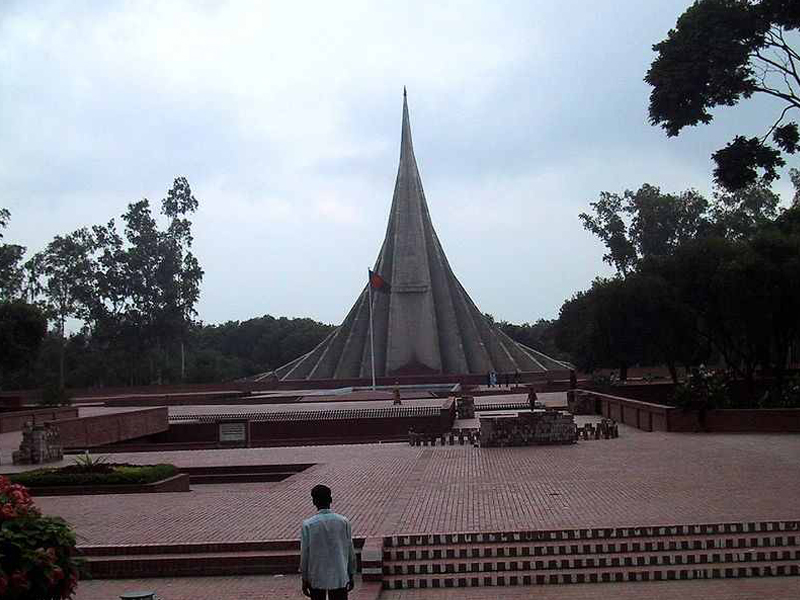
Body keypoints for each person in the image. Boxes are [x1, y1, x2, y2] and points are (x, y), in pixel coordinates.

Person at [301, 484, 356, 599]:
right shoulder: (343, 522)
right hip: (339, 573)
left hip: (316, 574)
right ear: (331, 499)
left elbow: (305, 554)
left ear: (314, 502)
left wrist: (304, 578)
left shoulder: (308, 525)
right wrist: (351, 573)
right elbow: (350, 549)